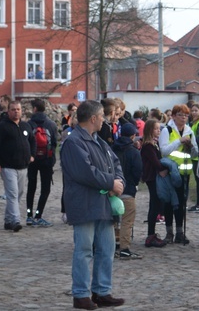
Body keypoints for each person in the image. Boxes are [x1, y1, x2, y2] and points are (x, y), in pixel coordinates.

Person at [61, 100, 125, 309]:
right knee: (84, 249)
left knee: (106, 248)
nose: (105, 120)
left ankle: (102, 291)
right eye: (102, 116)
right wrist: (110, 183)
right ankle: (80, 294)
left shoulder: (98, 140)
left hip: (102, 204)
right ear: (93, 118)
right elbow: (85, 172)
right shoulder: (73, 143)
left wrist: (119, 181)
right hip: (84, 203)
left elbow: (115, 163)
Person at [0, 100, 35, 232]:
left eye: (18, 109)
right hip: (7, 166)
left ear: (21, 111)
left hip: (23, 166)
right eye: (13, 109)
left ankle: (8, 220)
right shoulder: (2, 127)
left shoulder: (26, 126)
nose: (16, 112)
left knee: (18, 193)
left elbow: (33, 141)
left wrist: (32, 154)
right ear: (8, 111)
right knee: (12, 193)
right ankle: (16, 220)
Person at [158, 104, 198, 244]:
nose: (184, 118)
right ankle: (169, 232)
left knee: (181, 202)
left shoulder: (189, 131)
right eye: (181, 115)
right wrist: (179, 141)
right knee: (169, 202)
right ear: (174, 116)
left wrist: (191, 146)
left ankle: (180, 232)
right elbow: (164, 151)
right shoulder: (167, 130)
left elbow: (195, 153)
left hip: (184, 171)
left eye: (186, 115)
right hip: (170, 171)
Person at [112, 123, 143, 260]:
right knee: (127, 221)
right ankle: (124, 248)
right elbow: (138, 172)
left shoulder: (111, 149)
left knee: (112, 220)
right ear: (133, 136)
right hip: (128, 190)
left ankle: (111, 246)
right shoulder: (134, 152)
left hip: (112, 189)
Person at [26, 98, 58, 227]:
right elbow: (55, 143)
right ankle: (38, 215)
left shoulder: (28, 124)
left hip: (32, 160)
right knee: (45, 189)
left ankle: (29, 215)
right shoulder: (51, 124)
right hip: (47, 160)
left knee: (31, 187)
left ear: (34, 109)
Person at [140, 118, 168, 248]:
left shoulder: (154, 144)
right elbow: (155, 161)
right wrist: (162, 169)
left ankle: (152, 234)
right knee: (155, 205)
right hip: (152, 177)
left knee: (156, 205)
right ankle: (150, 235)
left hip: (154, 176)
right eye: (156, 129)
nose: (159, 131)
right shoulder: (148, 146)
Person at [187, 102, 199, 212]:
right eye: (192, 110)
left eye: (196, 111)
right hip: (194, 156)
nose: (194, 113)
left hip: (198, 156)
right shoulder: (194, 123)